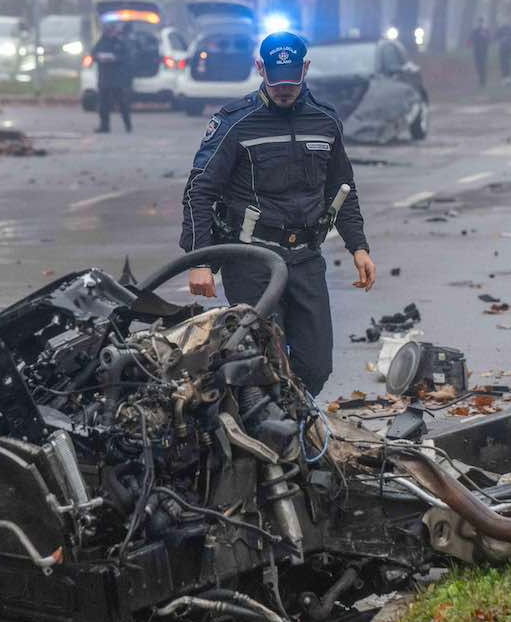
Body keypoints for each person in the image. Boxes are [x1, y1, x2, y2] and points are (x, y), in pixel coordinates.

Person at [179, 31, 375, 396]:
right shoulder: (235, 122)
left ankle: (293, 423)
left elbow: (342, 188)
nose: (284, 89)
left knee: (316, 366)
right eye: (275, 80)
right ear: (259, 69)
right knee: (259, 365)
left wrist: (358, 248)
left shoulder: (325, 120)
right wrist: (199, 260)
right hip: (253, 260)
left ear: (306, 69)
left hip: (305, 257)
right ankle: (270, 439)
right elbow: (199, 190)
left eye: (292, 81)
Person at [90, 22, 133, 133]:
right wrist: (99, 57)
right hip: (104, 78)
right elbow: (93, 54)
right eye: (107, 30)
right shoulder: (102, 42)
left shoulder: (120, 43)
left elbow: (126, 56)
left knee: (122, 104)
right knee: (103, 105)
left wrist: (115, 58)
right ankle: (104, 126)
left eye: (111, 30)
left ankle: (128, 125)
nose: (110, 32)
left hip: (117, 79)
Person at [468, 18, 493, 88]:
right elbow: (471, 39)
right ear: (477, 23)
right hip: (476, 50)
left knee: (483, 65)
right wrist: (469, 43)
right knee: (477, 65)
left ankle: (483, 81)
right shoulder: (475, 31)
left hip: (484, 51)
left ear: (483, 23)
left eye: (481, 22)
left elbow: (490, 40)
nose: (480, 24)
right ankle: (479, 79)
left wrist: (485, 36)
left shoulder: (486, 30)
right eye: (479, 22)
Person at [494, 20, 511, 85]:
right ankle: (504, 79)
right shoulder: (501, 29)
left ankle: (508, 79)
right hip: (502, 49)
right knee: (503, 64)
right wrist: (500, 41)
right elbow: (495, 37)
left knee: (507, 63)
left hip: (509, 49)